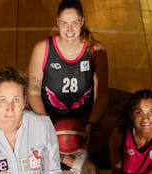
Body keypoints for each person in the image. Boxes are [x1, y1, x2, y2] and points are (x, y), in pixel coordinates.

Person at [27, 0, 109, 145]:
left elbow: (101, 94)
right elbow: (33, 93)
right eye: (64, 23)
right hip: (50, 116)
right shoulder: (42, 49)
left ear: (82, 21)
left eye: (75, 23)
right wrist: (46, 124)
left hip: (85, 118)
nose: (69, 30)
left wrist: (91, 124)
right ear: (58, 22)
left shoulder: (96, 50)